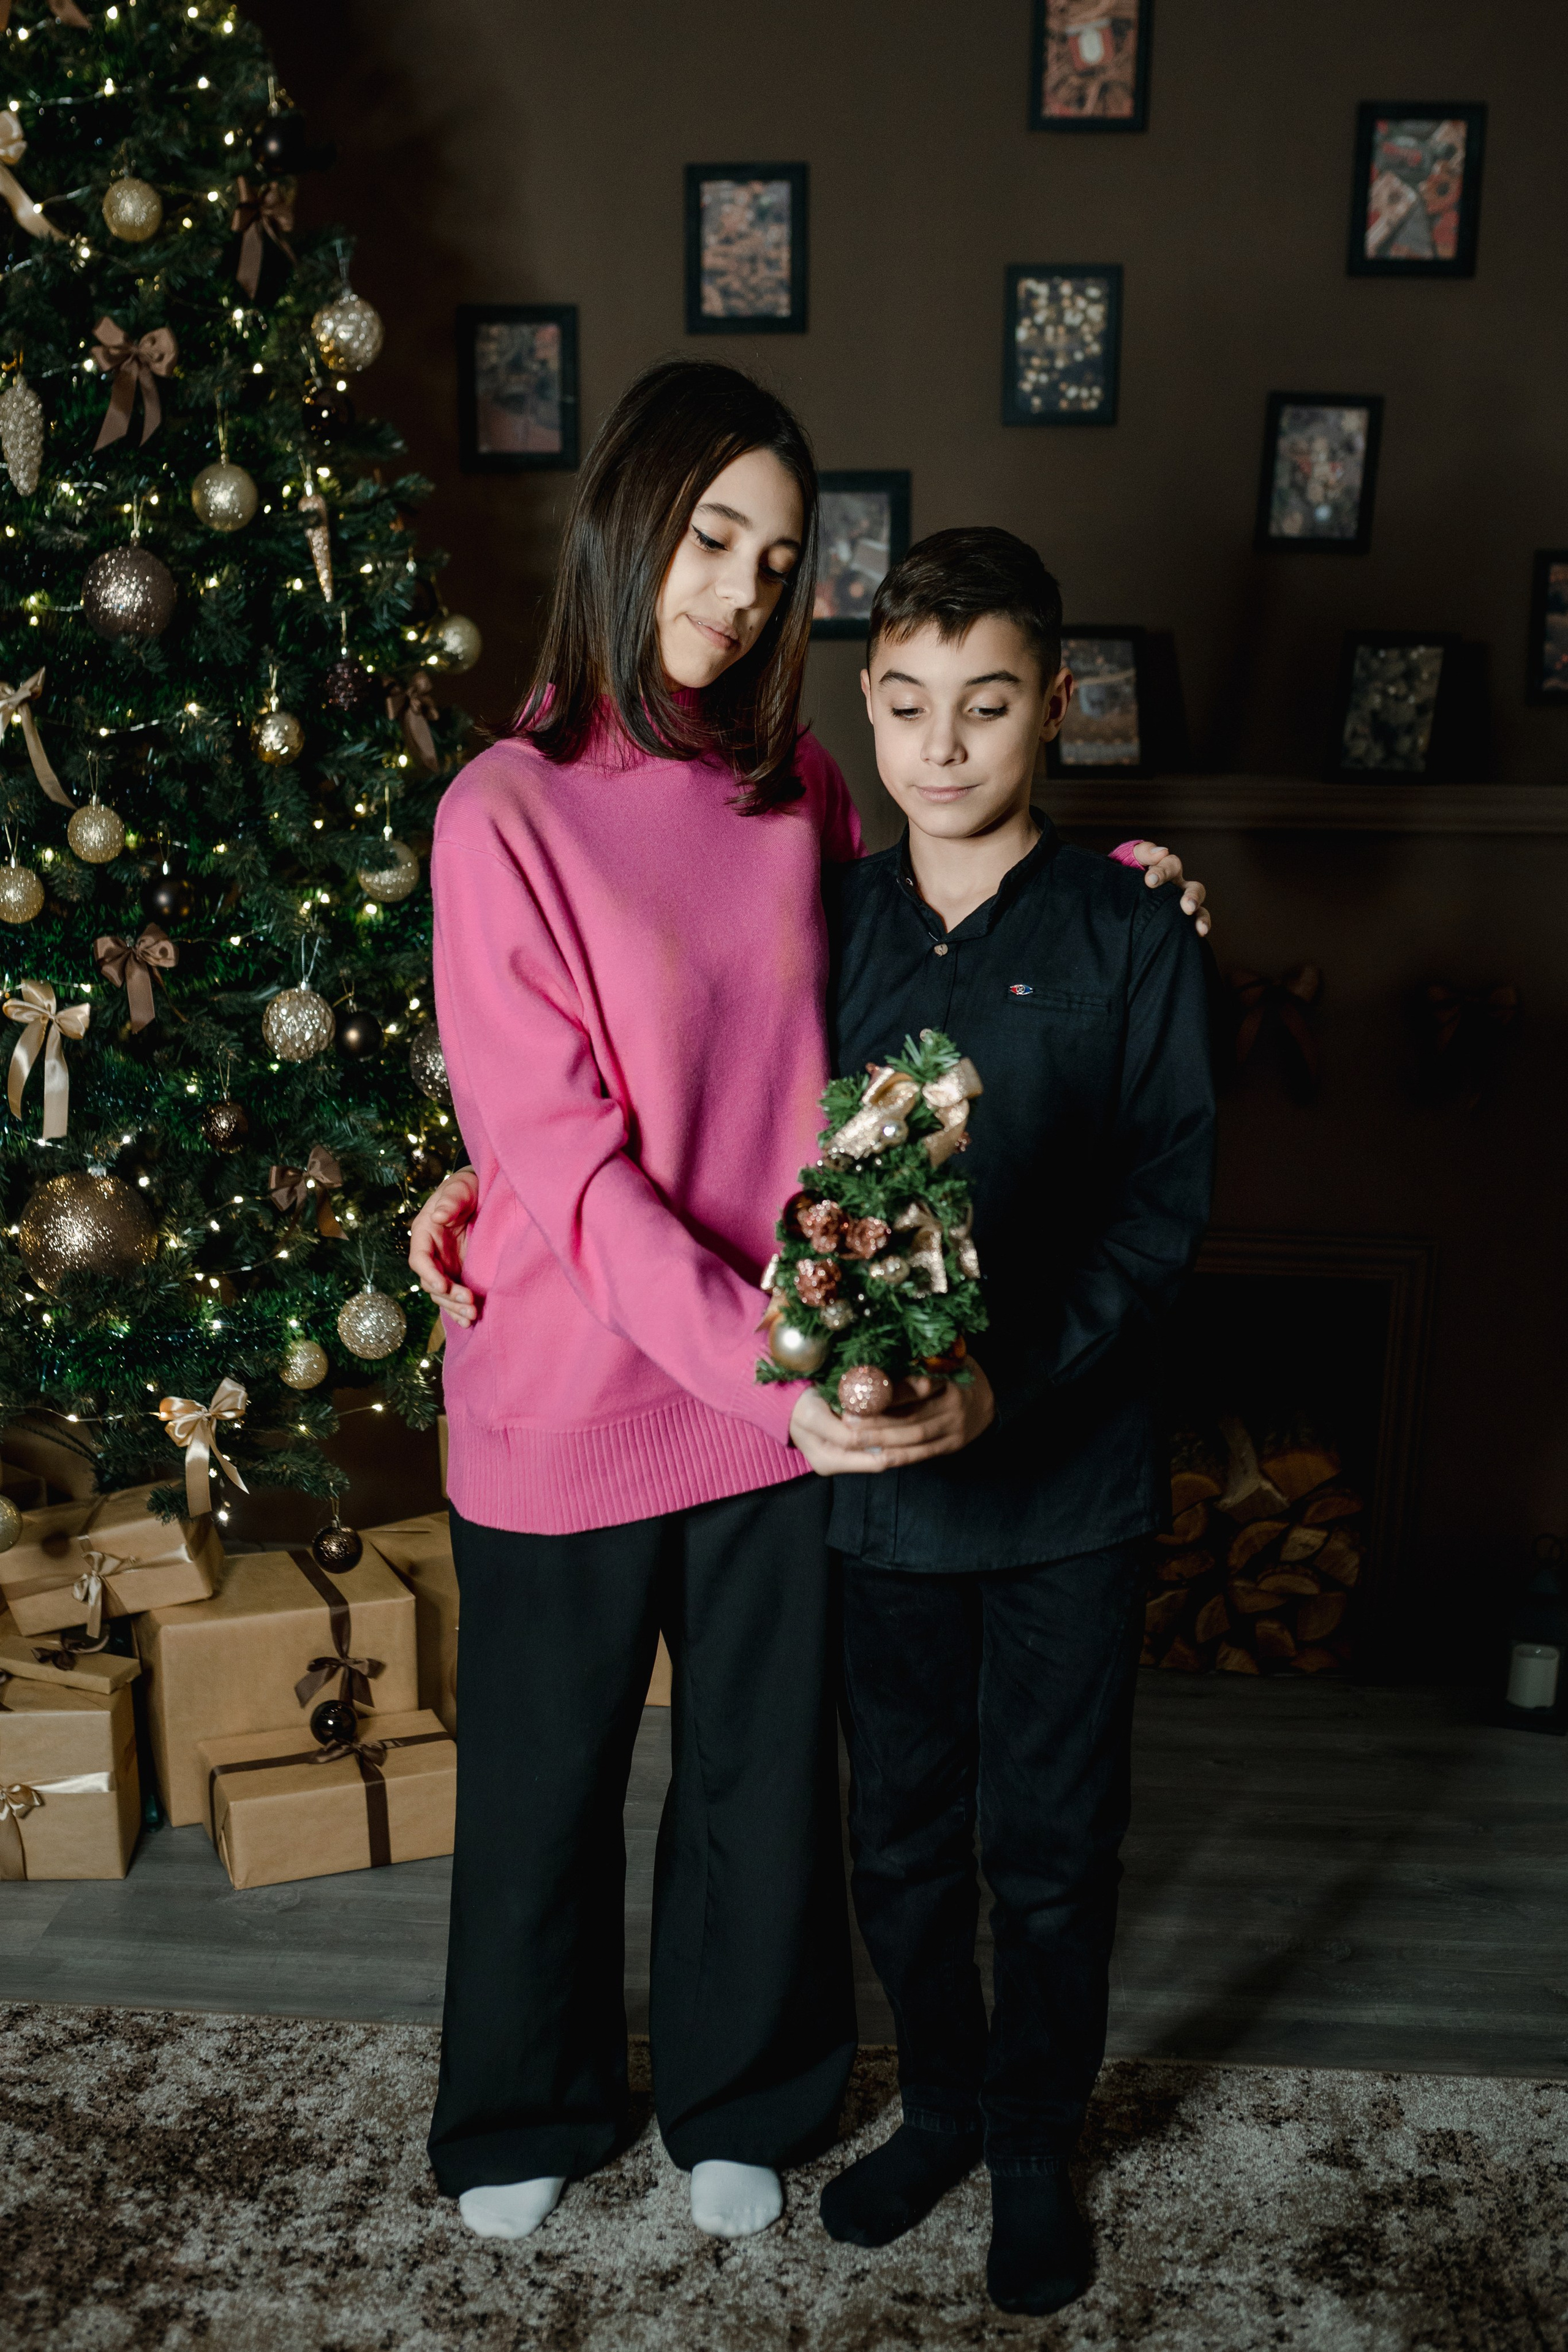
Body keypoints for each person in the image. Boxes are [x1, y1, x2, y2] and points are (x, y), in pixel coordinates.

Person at [409, 360, 1212, 2256]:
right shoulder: (500, 807)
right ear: (630, 518)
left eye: (778, 564)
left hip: (782, 1400)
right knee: (543, 1784)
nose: (741, 593)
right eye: (712, 541)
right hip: (590, 1378)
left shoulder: (801, 786)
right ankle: (523, 2100)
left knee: (763, 1791)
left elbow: (915, 974)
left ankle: (745, 2094)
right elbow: (576, 1164)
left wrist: (1113, 883)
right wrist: (494, 1196)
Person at [814, 528, 1215, 2316]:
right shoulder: (817, 926)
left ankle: (1041, 2142)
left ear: (1055, 707)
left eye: (985, 705)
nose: (943, 746)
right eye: (906, 706)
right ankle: (947, 2103)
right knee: (899, 1831)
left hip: (1069, 1485)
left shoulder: (1135, 928)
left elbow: (1164, 1207)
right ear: (871, 711)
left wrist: (1011, 1376)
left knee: (1049, 1846)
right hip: (878, 1492)